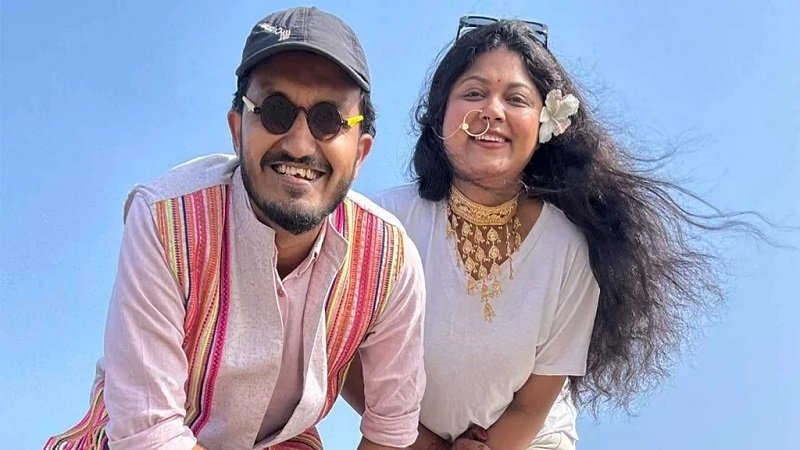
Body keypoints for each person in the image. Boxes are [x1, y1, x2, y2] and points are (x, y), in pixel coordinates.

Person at [345, 16, 735, 450]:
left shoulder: (569, 248)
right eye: (473, 93)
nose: (492, 111)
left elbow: (531, 408)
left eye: (516, 99)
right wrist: (426, 443)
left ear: (545, 124)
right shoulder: (384, 223)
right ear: (440, 115)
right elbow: (342, 355)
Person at [44, 7, 426, 450]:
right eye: (275, 111)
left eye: (328, 120)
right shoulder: (166, 222)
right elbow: (149, 435)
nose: (299, 144)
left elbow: (391, 431)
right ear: (236, 130)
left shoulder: (390, 260)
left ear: (360, 153)